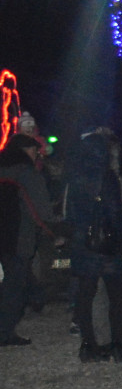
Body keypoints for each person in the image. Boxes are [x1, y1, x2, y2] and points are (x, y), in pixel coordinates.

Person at [65, 127, 122, 363]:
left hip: (82, 243)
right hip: (107, 244)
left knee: (86, 296)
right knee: (116, 297)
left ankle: (89, 345)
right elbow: (115, 212)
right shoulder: (107, 177)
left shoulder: (75, 178)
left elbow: (71, 214)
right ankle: (117, 344)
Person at [0, 137, 58, 347]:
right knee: (14, 286)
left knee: (15, 278)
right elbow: (40, 209)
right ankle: (4, 332)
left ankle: (38, 297)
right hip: (18, 237)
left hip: (4, 237)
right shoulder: (27, 174)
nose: (37, 155)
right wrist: (55, 231)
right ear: (25, 150)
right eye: (35, 151)